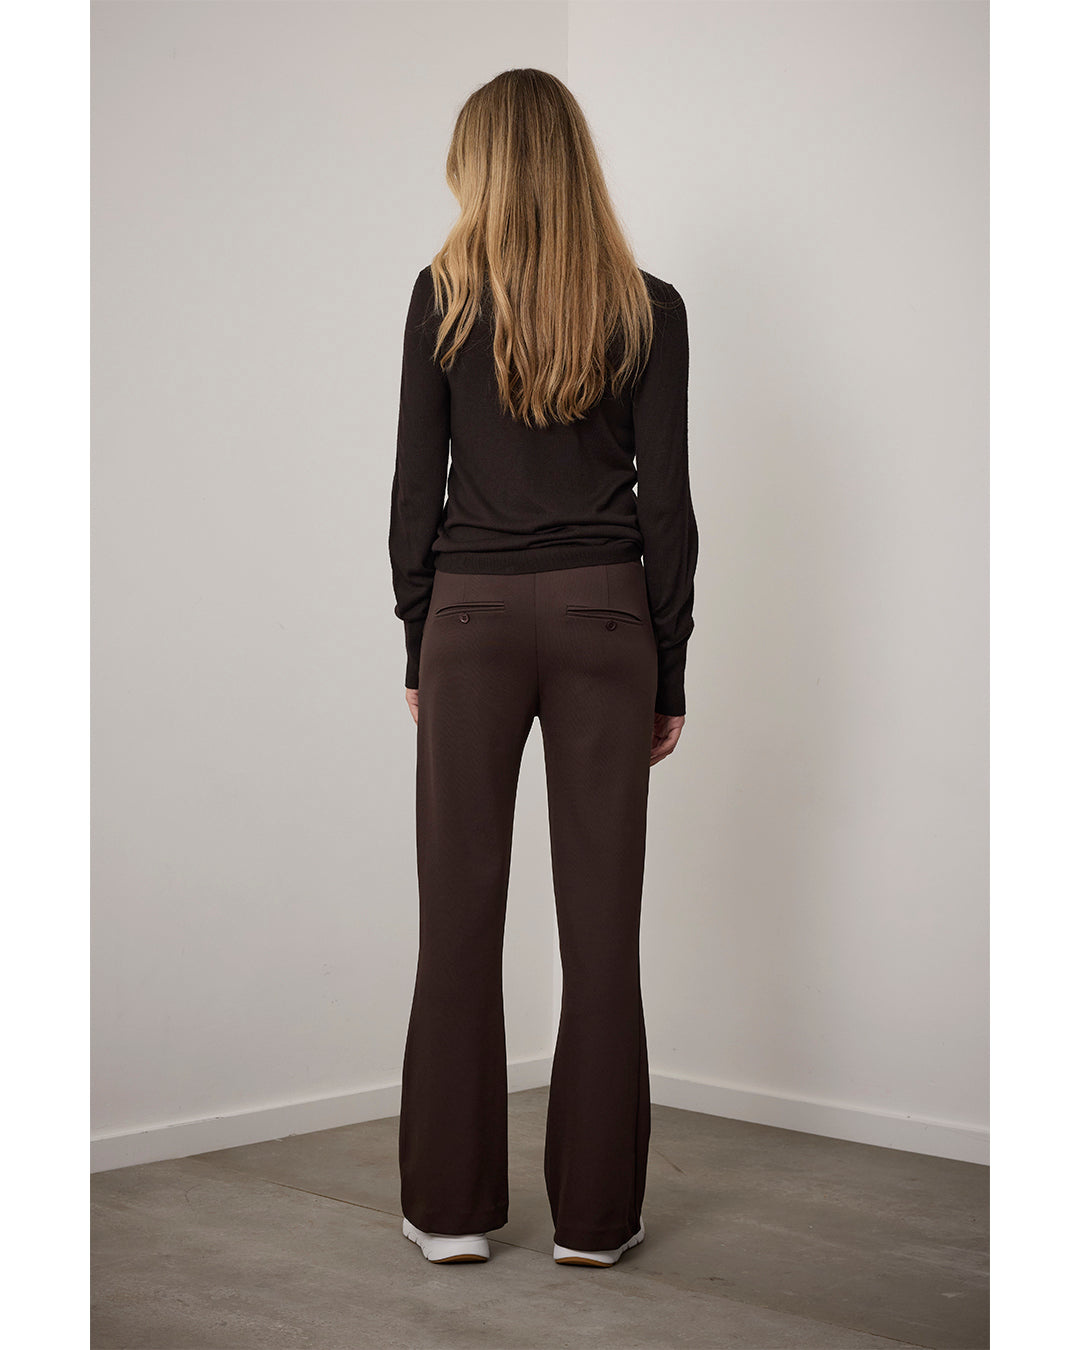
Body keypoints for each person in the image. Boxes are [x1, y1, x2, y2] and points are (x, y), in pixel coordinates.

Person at [389, 68, 698, 1269]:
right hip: (606, 620)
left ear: (481, 165)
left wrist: (419, 635)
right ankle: (596, 1224)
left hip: (468, 621)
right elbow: (665, 509)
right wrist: (668, 667)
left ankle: (450, 1214)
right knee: (603, 929)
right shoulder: (649, 308)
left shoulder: (442, 299)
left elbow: (415, 490)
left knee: (458, 920)